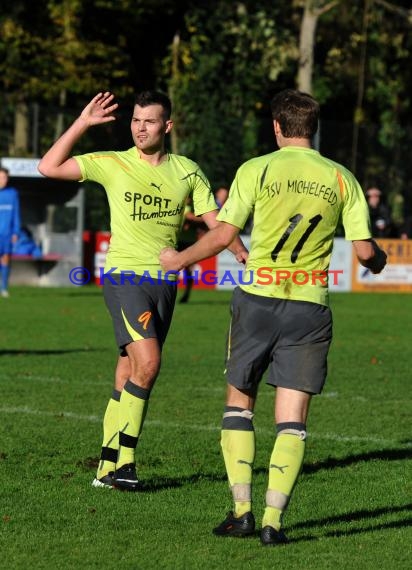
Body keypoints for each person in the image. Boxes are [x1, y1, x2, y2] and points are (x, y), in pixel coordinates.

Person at [160, 89, 387, 546]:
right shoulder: (342, 177)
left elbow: (225, 233)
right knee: (293, 420)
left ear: (278, 128)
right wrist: (378, 260)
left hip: (257, 301)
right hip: (309, 307)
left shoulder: (256, 168)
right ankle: (273, 523)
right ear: (314, 129)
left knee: (239, 403)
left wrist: (180, 260)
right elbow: (365, 253)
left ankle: (241, 511)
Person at [38, 90, 248, 491]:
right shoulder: (114, 163)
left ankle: (104, 467)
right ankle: (125, 463)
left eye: (149, 121)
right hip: (124, 277)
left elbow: (215, 222)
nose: (139, 127)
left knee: (129, 371)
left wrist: (240, 251)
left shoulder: (187, 170)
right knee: (149, 364)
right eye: (135, 120)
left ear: (167, 126)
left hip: (164, 283)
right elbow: (48, 166)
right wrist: (83, 122)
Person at [0, 167, 21, 298]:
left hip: (6, 233)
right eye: (0, 177)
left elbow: (16, 214)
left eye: (4, 177)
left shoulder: (12, 193)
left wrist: (16, 232)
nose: (2, 180)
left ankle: (4, 288)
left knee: (5, 259)